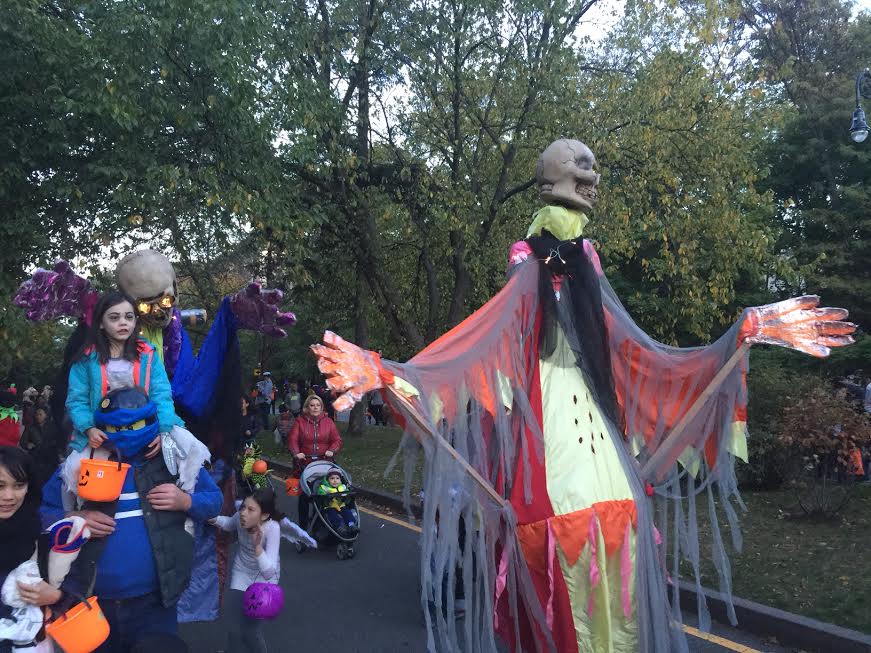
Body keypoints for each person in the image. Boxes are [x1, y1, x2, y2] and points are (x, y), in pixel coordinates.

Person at [40, 387, 222, 652]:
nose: (125, 434)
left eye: (134, 424)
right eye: (116, 428)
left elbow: (214, 501)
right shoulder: (80, 464)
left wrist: (186, 501)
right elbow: (39, 513)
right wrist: (74, 517)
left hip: (155, 605)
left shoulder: (174, 460)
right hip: (91, 602)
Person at [65, 291, 184, 457]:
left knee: (191, 457)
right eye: (114, 318)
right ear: (100, 323)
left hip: (148, 428)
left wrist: (163, 429)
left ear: (135, 321)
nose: (123, 323)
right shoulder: (86, 359)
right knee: (74, 472)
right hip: (103, 433)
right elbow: (77, 400)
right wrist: (89, 429)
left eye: (129, 317)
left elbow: (161, 393)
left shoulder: (148, 354)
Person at [0, 447, 74, 653]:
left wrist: (56, 598)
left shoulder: (45, 532)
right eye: (0, 486)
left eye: (18, 485)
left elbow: (79, 592)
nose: (9, 496)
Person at [211, 487, 283, 653]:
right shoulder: (240, 517)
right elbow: (229, 524)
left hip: (265, 581)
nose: (243, 512)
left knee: (250, 631)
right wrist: (210, 517)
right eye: (243, 507)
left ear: (264, 515)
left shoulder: (273, 529)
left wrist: (257, 547)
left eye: (251, 510)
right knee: (234, 627)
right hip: (241, 573)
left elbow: (269, 572)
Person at [287, 395, 342, 526]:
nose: (315, 407)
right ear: (307, 407)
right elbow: (292, 440)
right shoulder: (300, 422)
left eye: (318, 405)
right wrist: (296, 453)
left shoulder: (328, 422)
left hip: (325, 461)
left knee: (333, 487)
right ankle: (303, 526)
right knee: (305, 495)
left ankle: (328, 519)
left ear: (322, 407)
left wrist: (332, 449)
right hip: (305, 462)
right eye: (312, 405)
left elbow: (337, 440)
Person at [18, 407, 60, 488]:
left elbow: (58, 441)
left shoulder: (52, 427)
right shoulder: (30, 428)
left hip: (49, 458)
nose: (38, 416)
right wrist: (27, 445)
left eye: (40, 414)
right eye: (37, 414)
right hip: (35, 457)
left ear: (46, 415)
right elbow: (23, 442)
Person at [316, 469, 356, 535]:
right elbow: (320, 494)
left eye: (337, 478)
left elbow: (347, 492)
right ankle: (339, 527)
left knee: (348, 513)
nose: (335, 480)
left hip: (341, 505)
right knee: (333, 516)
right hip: (329, 506)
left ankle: (351, 525)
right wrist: (325, 495)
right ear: (327, 480)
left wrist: (348, 494)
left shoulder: (343, 487)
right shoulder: (324, 488)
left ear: (340, 480)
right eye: (332, 478)